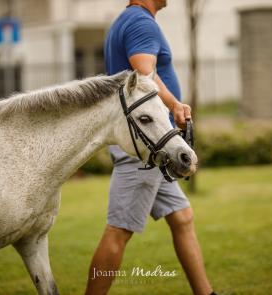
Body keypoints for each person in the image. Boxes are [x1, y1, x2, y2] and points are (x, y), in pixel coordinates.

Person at [85, 1, 216, 295]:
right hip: (147, 149)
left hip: (154, 148)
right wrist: (176, 105)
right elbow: (144, 76)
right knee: (118, 231)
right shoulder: (141, 23)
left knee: (182, 218)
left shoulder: (128, 20)